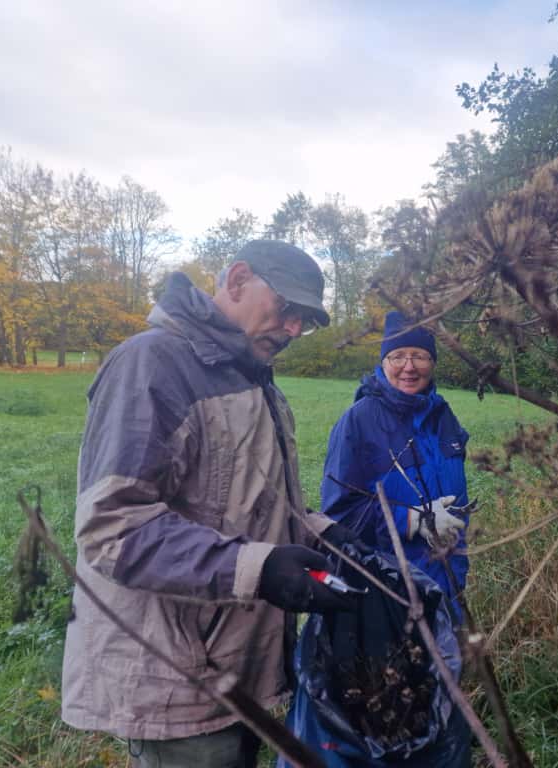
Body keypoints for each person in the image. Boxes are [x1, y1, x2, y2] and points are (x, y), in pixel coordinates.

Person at [62, 240, 364, 768]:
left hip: (244, 668)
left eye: (306, 321)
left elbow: (257, 502)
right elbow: (112, 528)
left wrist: (325, 535)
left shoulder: (255, 380)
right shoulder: (152, 363)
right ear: (239, 279)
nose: (294, 330)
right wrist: (260, 568)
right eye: (288, 309)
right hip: (178, 679)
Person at [320, 311, 470, 617]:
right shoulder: (358, 421)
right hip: (389, 592)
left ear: (434, 362)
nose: (409, 367)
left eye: (420, 356)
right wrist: (411, 521)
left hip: (447, 584)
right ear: (383, 362)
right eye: (398, 356)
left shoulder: (445, 417)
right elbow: (338, 516)